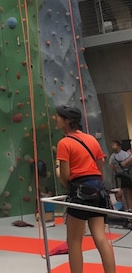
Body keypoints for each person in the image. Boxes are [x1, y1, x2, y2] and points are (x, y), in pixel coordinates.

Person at [53, 105, 116, 273]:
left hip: (80, 191)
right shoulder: (91, 139)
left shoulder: (64, 142)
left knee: (73, 241)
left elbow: (65, 176)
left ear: (67, 120)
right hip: (98, 188)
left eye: (57, 116)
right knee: (100, 238)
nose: (54, 118)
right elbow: (99, 165)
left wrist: (58, 170)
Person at [109, 140, 132, 211]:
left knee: (127, 191)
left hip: (128, 174)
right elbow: (111, 164)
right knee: (126, 191)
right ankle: (129, 208)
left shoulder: (125, 154)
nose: (113, 147)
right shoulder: (113, 156)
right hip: (124, 176)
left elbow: (125, 164)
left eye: (114, 145)